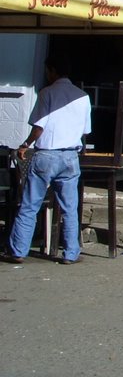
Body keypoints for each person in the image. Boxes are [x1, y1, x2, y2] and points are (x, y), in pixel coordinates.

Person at [2, 55, 92, 265]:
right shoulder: (83, 96)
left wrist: (25, 144)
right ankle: (71, 253)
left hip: (47, 156)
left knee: (30, 205)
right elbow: (85, 130)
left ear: (52, 71)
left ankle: (18, 250)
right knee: (70, 208)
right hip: (70, 156)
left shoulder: (47, 93)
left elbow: (39, 127)